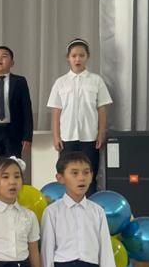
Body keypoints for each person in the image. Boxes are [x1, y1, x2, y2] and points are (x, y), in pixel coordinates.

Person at [47, 39, 113, 195]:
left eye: (81, 55)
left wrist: (101, 132)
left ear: (87, 57)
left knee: (89, 173)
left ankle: (89, 204)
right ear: (68, 58)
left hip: (89, 137)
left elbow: (102, 109)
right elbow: (56, 111)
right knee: (67, 173)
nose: (77, 59)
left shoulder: (96, 81)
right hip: (67, 137)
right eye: (74, 56)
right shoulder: (60, 82)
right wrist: (56, 136)